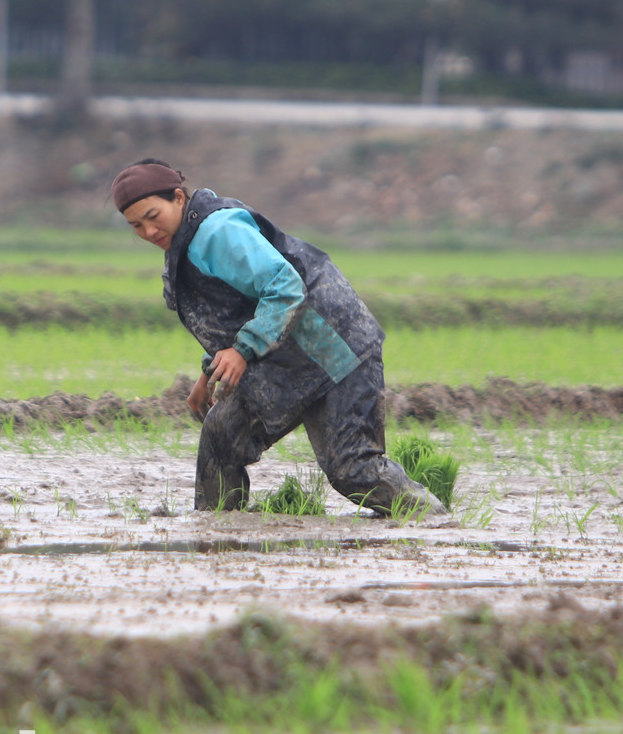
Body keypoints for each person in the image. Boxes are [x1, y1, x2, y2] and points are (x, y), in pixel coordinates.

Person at [110, 158, 448, 518]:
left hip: (333, 352)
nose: (148, 231)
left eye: (152, 216)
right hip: (282, 360)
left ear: (178, 198)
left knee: (353, 470)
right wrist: (211, 371)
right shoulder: (187, 244)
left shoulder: (217, 233)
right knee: (221, 437)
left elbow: (285, 287)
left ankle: (436, 522)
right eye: (136, 226)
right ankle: (216, 531)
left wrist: (243, 351)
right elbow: (233, 311)